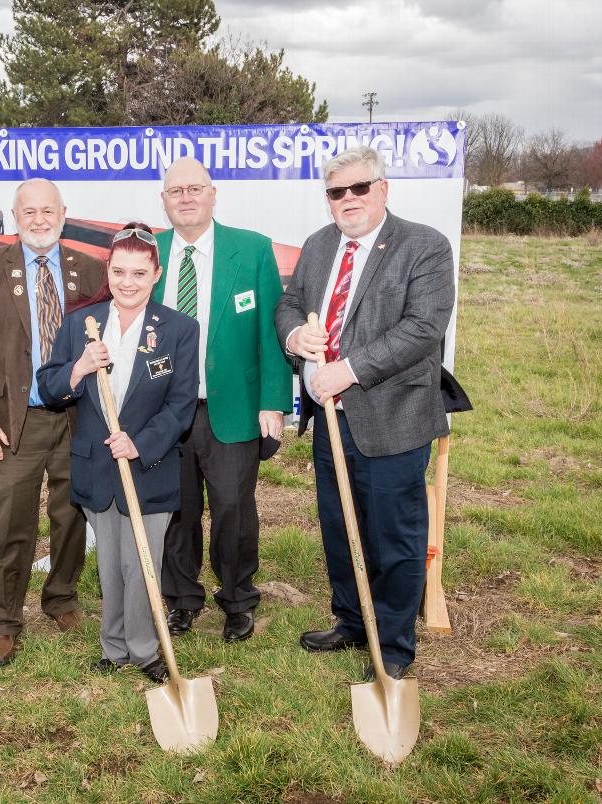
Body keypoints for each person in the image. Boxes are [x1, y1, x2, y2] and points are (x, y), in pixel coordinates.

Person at [274, 146, 455, 680]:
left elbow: (423, 329)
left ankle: (394, 645)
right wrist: (295, 336)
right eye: (337, 192)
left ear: (382, 189)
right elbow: (289, 304)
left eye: (359, 188)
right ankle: (352, 621)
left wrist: (347, 370)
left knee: (392, 533)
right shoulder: (319, 245)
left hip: (393, 414)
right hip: (331, 419)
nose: (348, 199)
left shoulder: (424, 246)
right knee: (339, 523)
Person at [37, 223, 199, 683]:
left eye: (139, 273)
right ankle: (114, 648)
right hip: (97, 467)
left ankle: (146, 649)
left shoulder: (179, 330)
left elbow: (181, 404)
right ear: (108, 270)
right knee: (109, 563)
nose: (128, 282)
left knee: (141, 561)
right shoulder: (79, 326)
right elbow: (49, 388)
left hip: (150, 464)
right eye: (120, 272)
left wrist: (141, 442)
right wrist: (80, 367)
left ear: (156, 274)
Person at [0, 178, 103, 666]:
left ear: (64, 212)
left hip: (78, 416)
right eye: (29, 213)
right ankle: (2, 619)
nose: (40, 220)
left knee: (70, 514)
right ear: (15, 218)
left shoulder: (91, 270)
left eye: (48, 211)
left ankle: (61, 597)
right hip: (15, 419)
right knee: (9, 520)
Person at [153, 157, 293, 643]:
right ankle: (182, 600)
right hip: (165, 412)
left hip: (230, 409)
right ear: (164, 200)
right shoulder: (150, 251)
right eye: (175, 191)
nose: (186, 198)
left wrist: (275, 402)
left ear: (214, 194)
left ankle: (237, 599)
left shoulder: (251, 250)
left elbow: (272, 336)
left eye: (195, 188)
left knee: (234, 510)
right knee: (176, 510)